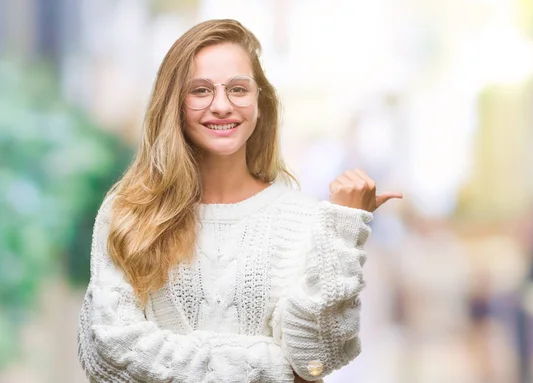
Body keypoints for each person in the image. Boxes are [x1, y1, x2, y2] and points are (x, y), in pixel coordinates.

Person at [77, 19, 402, 383]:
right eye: (200, 90)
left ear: (259, 102)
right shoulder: (129, 211)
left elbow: (313, 359)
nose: (221, 105)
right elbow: (110, 351)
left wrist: (343, 227)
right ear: (174, 104)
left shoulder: (303, 220)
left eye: (238, 89)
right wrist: (274, 368)